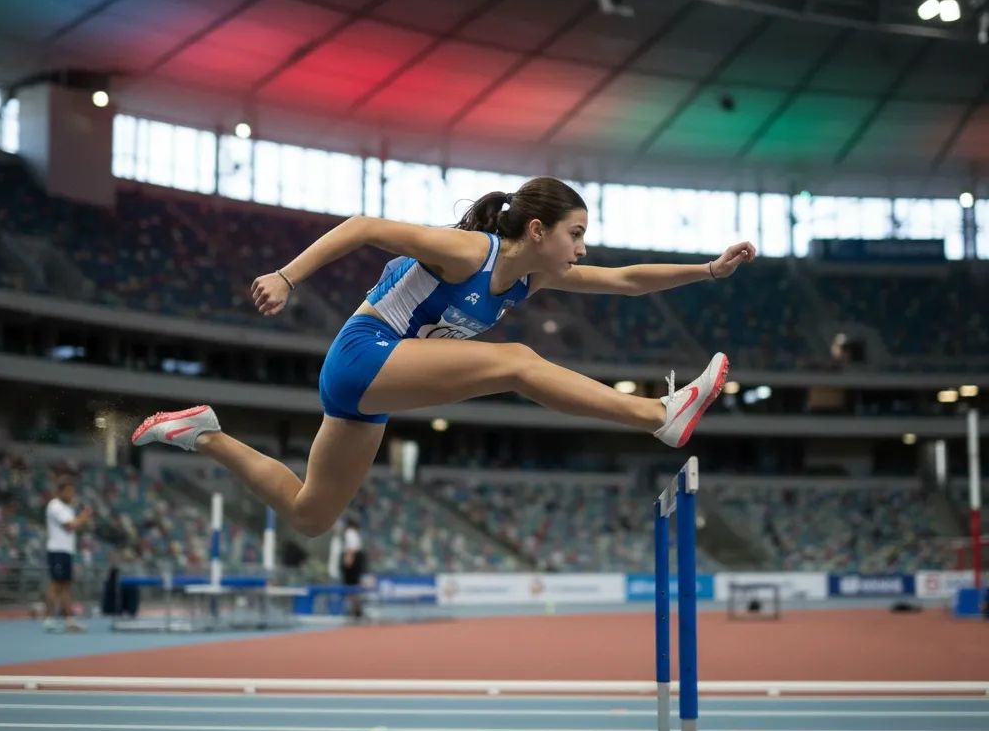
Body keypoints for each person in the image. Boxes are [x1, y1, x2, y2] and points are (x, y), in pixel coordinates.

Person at [132, 177, 755, 540]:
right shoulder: (468, 253)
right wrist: (288, 277)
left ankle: (204, 436)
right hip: (362, 354)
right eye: (576, 234)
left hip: (373, 389)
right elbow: (362, 225)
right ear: (536, 230)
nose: (584, 249)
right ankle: (657, 415)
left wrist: (708, 269)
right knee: (514, 360)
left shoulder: (526, 282)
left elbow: (625, 281)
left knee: (311, 515)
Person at [44, 478, 92, 632]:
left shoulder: (67, 508)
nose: (72, 494)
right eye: (69, 491)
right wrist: (84, 516)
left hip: (66, 551)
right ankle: (49, 619)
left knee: (66, 585)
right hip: (57, 550)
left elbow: (74, 524)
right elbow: (70, 526)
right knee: (56, 584)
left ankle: (69, 620)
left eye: (73, 491)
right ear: (60, 491)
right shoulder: (55, 506)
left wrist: (81, 518)